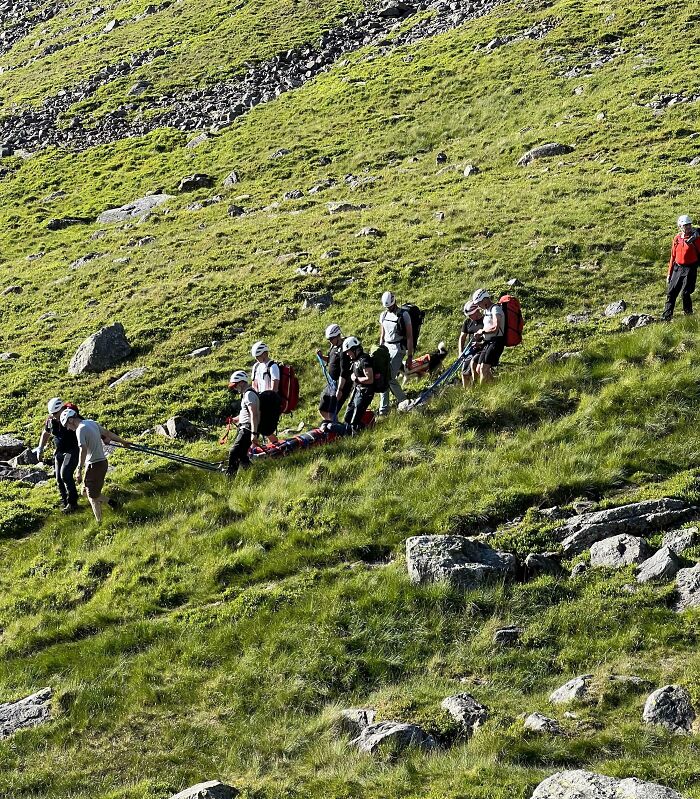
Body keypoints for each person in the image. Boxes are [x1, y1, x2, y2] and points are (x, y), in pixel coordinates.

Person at [60, 408, 131, 523]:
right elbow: (107, 433)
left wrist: (78, 470)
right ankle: (112, 503)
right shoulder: (91, 423)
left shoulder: (80, 430)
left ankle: (100, 523)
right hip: (99, 463)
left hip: (95, 465)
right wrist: (123, 441)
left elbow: (82, 450)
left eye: (67, 424)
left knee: (92, 497)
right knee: (84, 492)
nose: (68, 428)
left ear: (71, 420)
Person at [34, 397, 80, 513]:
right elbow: (46, 433)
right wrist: (40, 448)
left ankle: (72, 503)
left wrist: (103, 437)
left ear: (62, 409)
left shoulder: (72, 417)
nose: (54, 416)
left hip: (72, 450)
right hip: (59, 451)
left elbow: (84, 426)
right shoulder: (51, 420)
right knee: (58, 478)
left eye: (56, 413)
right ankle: (64, 501)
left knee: (66, 474)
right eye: (52, 413)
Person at [378, 291, 412, 415]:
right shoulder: (383, 315)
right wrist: (380, 350)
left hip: (399, 348)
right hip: (386, 347)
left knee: (389, 377)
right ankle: (384, 408)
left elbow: (409, 336)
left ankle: (403, 401)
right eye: (387, 307)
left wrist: (409, 356)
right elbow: (382, 334)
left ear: (394, 302)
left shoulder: (404, 315)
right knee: (383, 376)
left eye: (390, 306)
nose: (389, 308)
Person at [663, 214, 700, 321]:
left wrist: (697, 234)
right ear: (680, 226)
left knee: (685, 293)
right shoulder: (677, 238)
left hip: (690, 269)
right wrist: (669, 273)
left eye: (689, 225)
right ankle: (666, 318)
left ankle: (688, 317)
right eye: (685, 225)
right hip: (677, 268)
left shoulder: (696, 238)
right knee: (671, 293)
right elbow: (672, 256)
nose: (688, 227)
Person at [225, 370, 260, 476]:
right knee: (241, 455)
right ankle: (255, 475)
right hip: (245, 427)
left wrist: (254, 434)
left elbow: (254, 414)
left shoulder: (249, 394)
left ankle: (229, 479)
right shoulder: (246, 394)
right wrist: (235, 419)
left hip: (248, 429)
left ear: (241, 382)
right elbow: (246, 414)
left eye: (235, 386)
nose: (235, 389)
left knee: (234, 451)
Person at [316, 323, 352, 421]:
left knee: (333, 410)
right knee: (322, 408)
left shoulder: (344, 350)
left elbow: (344, 371)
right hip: (331, 383)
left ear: (338, 336)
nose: (330, 341)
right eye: (329, 340)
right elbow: (330, 360)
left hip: (341, 384)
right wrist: (321, 356)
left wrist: (340, 389)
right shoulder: (333, 347)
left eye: (332, 339)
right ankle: (330, 424)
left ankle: (334, 427)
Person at [470, 288, 505, 384]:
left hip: (497, 342)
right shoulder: (486, 311)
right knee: (478, 369)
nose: (478, 306)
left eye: (479, 303)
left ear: (485, 299)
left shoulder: (495, 309)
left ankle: (482, 393)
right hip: (488, 342)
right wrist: (481, 342)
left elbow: (495, 328)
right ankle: (498, 385)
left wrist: (482, 331)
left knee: (483, 369)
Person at [342, 337, 375, 431]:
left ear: (354, 349)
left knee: (354, 421)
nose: (347, 354)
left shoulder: (365, 360)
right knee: (347, 418)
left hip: (365, 393)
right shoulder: (356, 360)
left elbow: (370, 379)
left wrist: (356, 379)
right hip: (357, 391)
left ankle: (359, 434)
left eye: (348, 351)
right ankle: (347, 434)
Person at [250, 341, 280, 442]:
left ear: (264, 353)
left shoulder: (273, 366)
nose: (256, 359)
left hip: (269, 401)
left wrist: (266, 401)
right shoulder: (256, 367)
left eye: (258, 356)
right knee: (257, 425)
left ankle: (275, 444)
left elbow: (274, 388)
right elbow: (254, 384)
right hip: (259, 399)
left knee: (264, 428)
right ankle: (270, 443)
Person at [459, 301, 483, 388]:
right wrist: (461, 351)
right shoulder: (468, 322)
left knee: (474, 367)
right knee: (464, 373)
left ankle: (476, 387)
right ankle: (467, 391)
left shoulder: (485, 320)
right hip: (470, 350)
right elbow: (462, 337)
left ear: (476, 311)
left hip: (482, 349)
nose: (469, 317)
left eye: (470, 315)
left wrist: (480, 344)